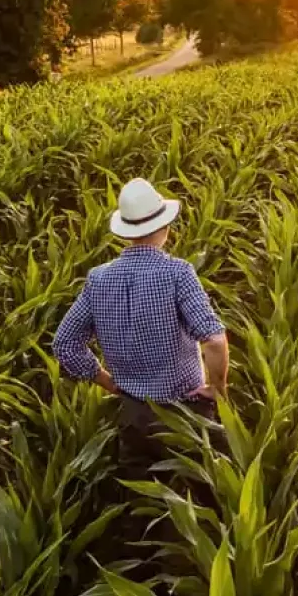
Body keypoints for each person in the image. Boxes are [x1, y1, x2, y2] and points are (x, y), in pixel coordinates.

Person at [54, 177, 229, 474]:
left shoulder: (98, 279)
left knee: (140, 500)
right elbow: (214, 340)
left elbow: (65, 344)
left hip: (132, 414)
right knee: (201, 497)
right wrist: (218, 388)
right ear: (165, 228)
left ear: (127, 232)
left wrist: (109, 382)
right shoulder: (177, 273)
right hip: (185, 412)